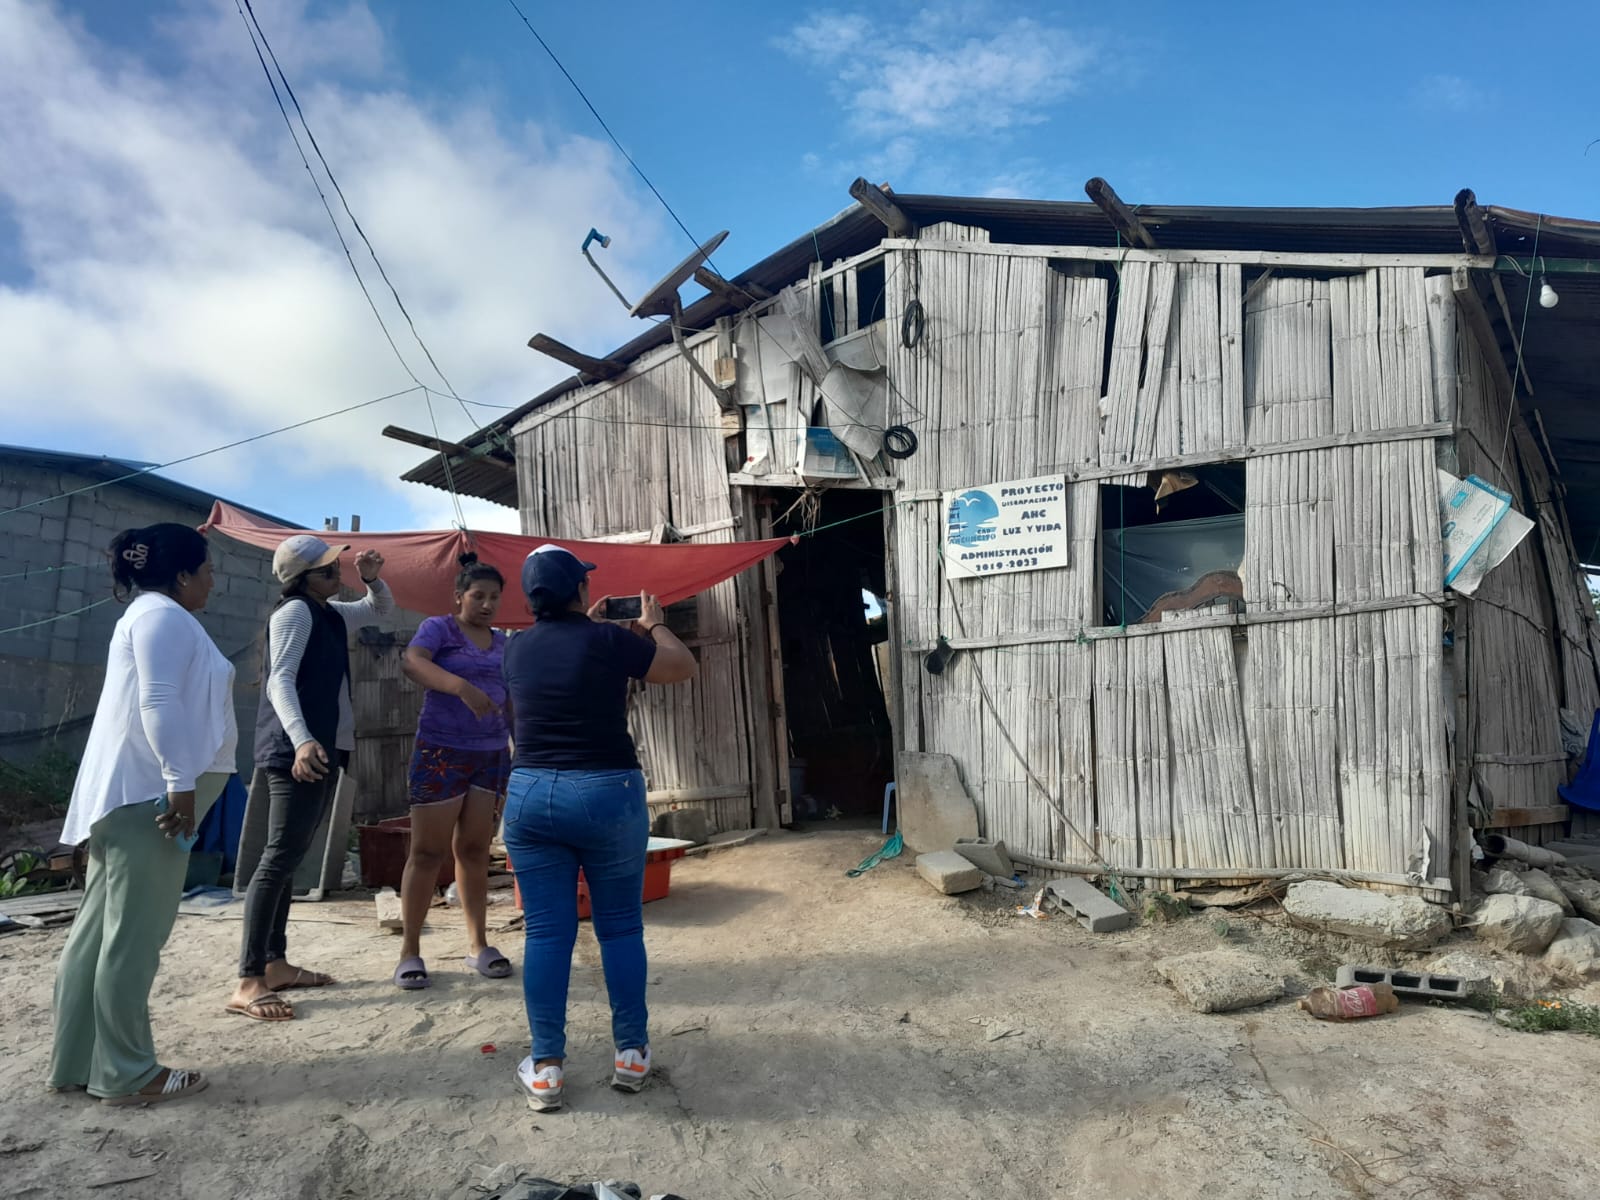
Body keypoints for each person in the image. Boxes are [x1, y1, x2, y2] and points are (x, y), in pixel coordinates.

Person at [501, 545, 697, 1112]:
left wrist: (584, 626)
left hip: (531, 794)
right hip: (608, 792)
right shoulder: (610, 640)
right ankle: (631, 1054)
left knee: (546, 934)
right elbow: (680, 666)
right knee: (619, 928)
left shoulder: (514, 648)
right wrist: (654, 624)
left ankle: (545, 1069)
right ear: (581, 591)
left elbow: (556, 664)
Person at [49, 524, 236, 1104]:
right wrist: (180, 784)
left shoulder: (152, 615)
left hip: (133, 797)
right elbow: (158, 700)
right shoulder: (162, 617)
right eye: (206, 570)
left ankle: (76, 1063)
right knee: (132, 938)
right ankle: (128, 1073)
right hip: (152, 801)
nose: (212, 582)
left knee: (98, 933)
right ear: (181, 575)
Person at [227, 534, 391, 1021]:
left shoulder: (328, 612)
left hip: (319, 748)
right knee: (278, 858)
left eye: (336, 567)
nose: (337, 574)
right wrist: (301, 740)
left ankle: (274, 964)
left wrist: (372, 579)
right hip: (295, 751)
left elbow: (379, 609)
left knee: (289, 857)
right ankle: (249, 978)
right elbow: (279, 680)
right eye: (327, 570)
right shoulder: (296, 612)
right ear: (302, 579)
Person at [393, 553, 513, 989]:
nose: (487, 604)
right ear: (459, 596)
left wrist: (522, 744)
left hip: (491, 755)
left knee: (476, 850)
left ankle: (479, 944)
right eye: (478, 595)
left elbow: (512, 698)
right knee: (427, 852)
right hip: (441, 752)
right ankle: (410, 951)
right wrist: (461, 687)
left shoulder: (504, 643)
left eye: (494, 597)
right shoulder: (439, 629)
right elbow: (412, 661)